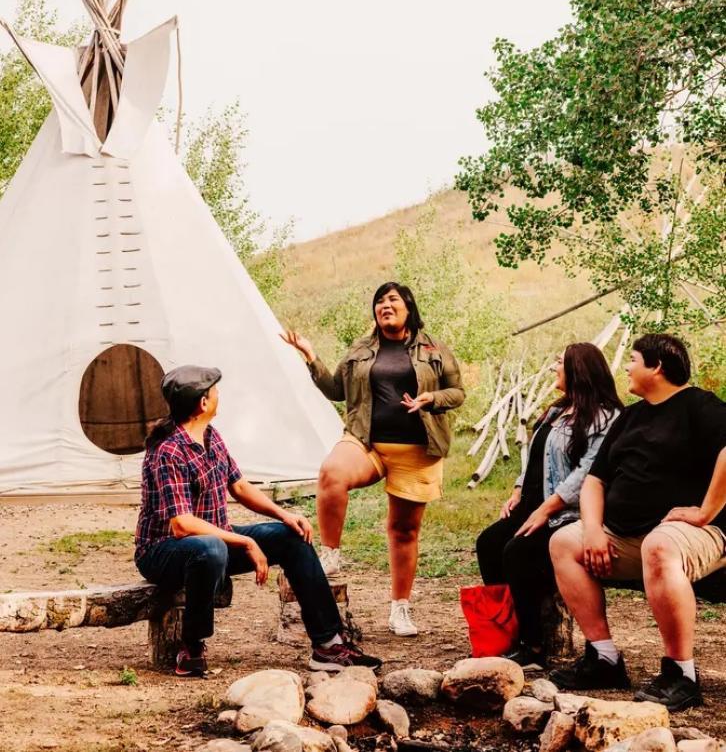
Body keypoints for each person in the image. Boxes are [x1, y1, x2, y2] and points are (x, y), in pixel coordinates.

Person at [135, 364, 381, 677]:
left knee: (290, 538)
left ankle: (328, 644)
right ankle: (192, 647)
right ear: (203, 404)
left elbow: (238, 485)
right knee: (210, 549)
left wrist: (283, 514)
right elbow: (181, 525)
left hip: (214, 540)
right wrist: (245, 541)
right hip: (163, 550)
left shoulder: (210, 435)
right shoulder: (169, 451)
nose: (218, 394)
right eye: (214, 390)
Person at [549, 334, 726, 710]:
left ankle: (682, 674)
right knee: (565, 542)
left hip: (697, 533)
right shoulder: (630, 415)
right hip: (627, 536)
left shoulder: (699, 406)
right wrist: (594, 530)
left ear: (657, 366)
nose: (626, 367)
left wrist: (706, 510)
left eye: (633, 359)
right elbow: (595, 481)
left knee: (659, 545)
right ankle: (604, 659)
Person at [282, 281, 464, 637]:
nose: (385, 305)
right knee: (332, 471)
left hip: (417, 450)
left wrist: (431, 398)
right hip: (367, 443)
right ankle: (331, 555)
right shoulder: (361, 350)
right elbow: (336, 389)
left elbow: (457, 392)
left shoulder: (434, 349)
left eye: (392, 299)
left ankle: (400, 610)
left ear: (408, 307)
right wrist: (310, 355)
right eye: (379, 301)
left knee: (404, 530)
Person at [475, 343, 623, 668]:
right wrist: (517, 489)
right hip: (533, 503)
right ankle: (506, 630)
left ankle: (534, 645)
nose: (555, 367)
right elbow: (536, 457)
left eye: (560, 362)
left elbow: (588, 472)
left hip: (565, 515)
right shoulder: (558, 410)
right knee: (489, 543)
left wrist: (548, 508)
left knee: (517, 553)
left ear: (578, 369)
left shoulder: (604, 417)